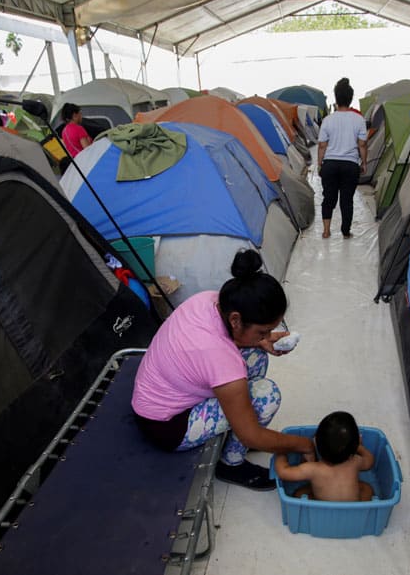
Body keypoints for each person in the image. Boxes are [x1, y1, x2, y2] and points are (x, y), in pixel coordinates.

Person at [131, 249, 315, 490]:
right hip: (167, 426)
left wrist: (258, 341)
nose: (268, 336)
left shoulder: (210, 300)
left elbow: (220, 344)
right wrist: (304, 445)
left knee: (256, 355)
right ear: (236, 320)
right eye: (262, 332)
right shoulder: (219, 356)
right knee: (266, 396)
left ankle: (236, 426)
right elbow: (251, 435)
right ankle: (231, 465)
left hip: (155, 397)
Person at [274, 411, 375, 502]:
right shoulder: (355, 461)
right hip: (353, 506)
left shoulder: (312, 469)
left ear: (316, 444)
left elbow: (283, 472)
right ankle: (360, 509)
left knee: (300, 493)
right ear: (353, 449)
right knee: (367, 488)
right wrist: (358, 447)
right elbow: (370, 461)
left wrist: (280, 452)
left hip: (323, 504)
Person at [317, 78, 368, 239]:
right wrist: (364, 162)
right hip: (350, 165)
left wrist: (320, 164)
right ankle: (346, 232)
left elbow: (322, 146)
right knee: (347, 200)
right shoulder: (359, 120)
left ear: (336, 98)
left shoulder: (328, 120)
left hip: (330, 164)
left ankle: (326, 231)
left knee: (328, 197)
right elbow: (362, 145)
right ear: (350, 98)